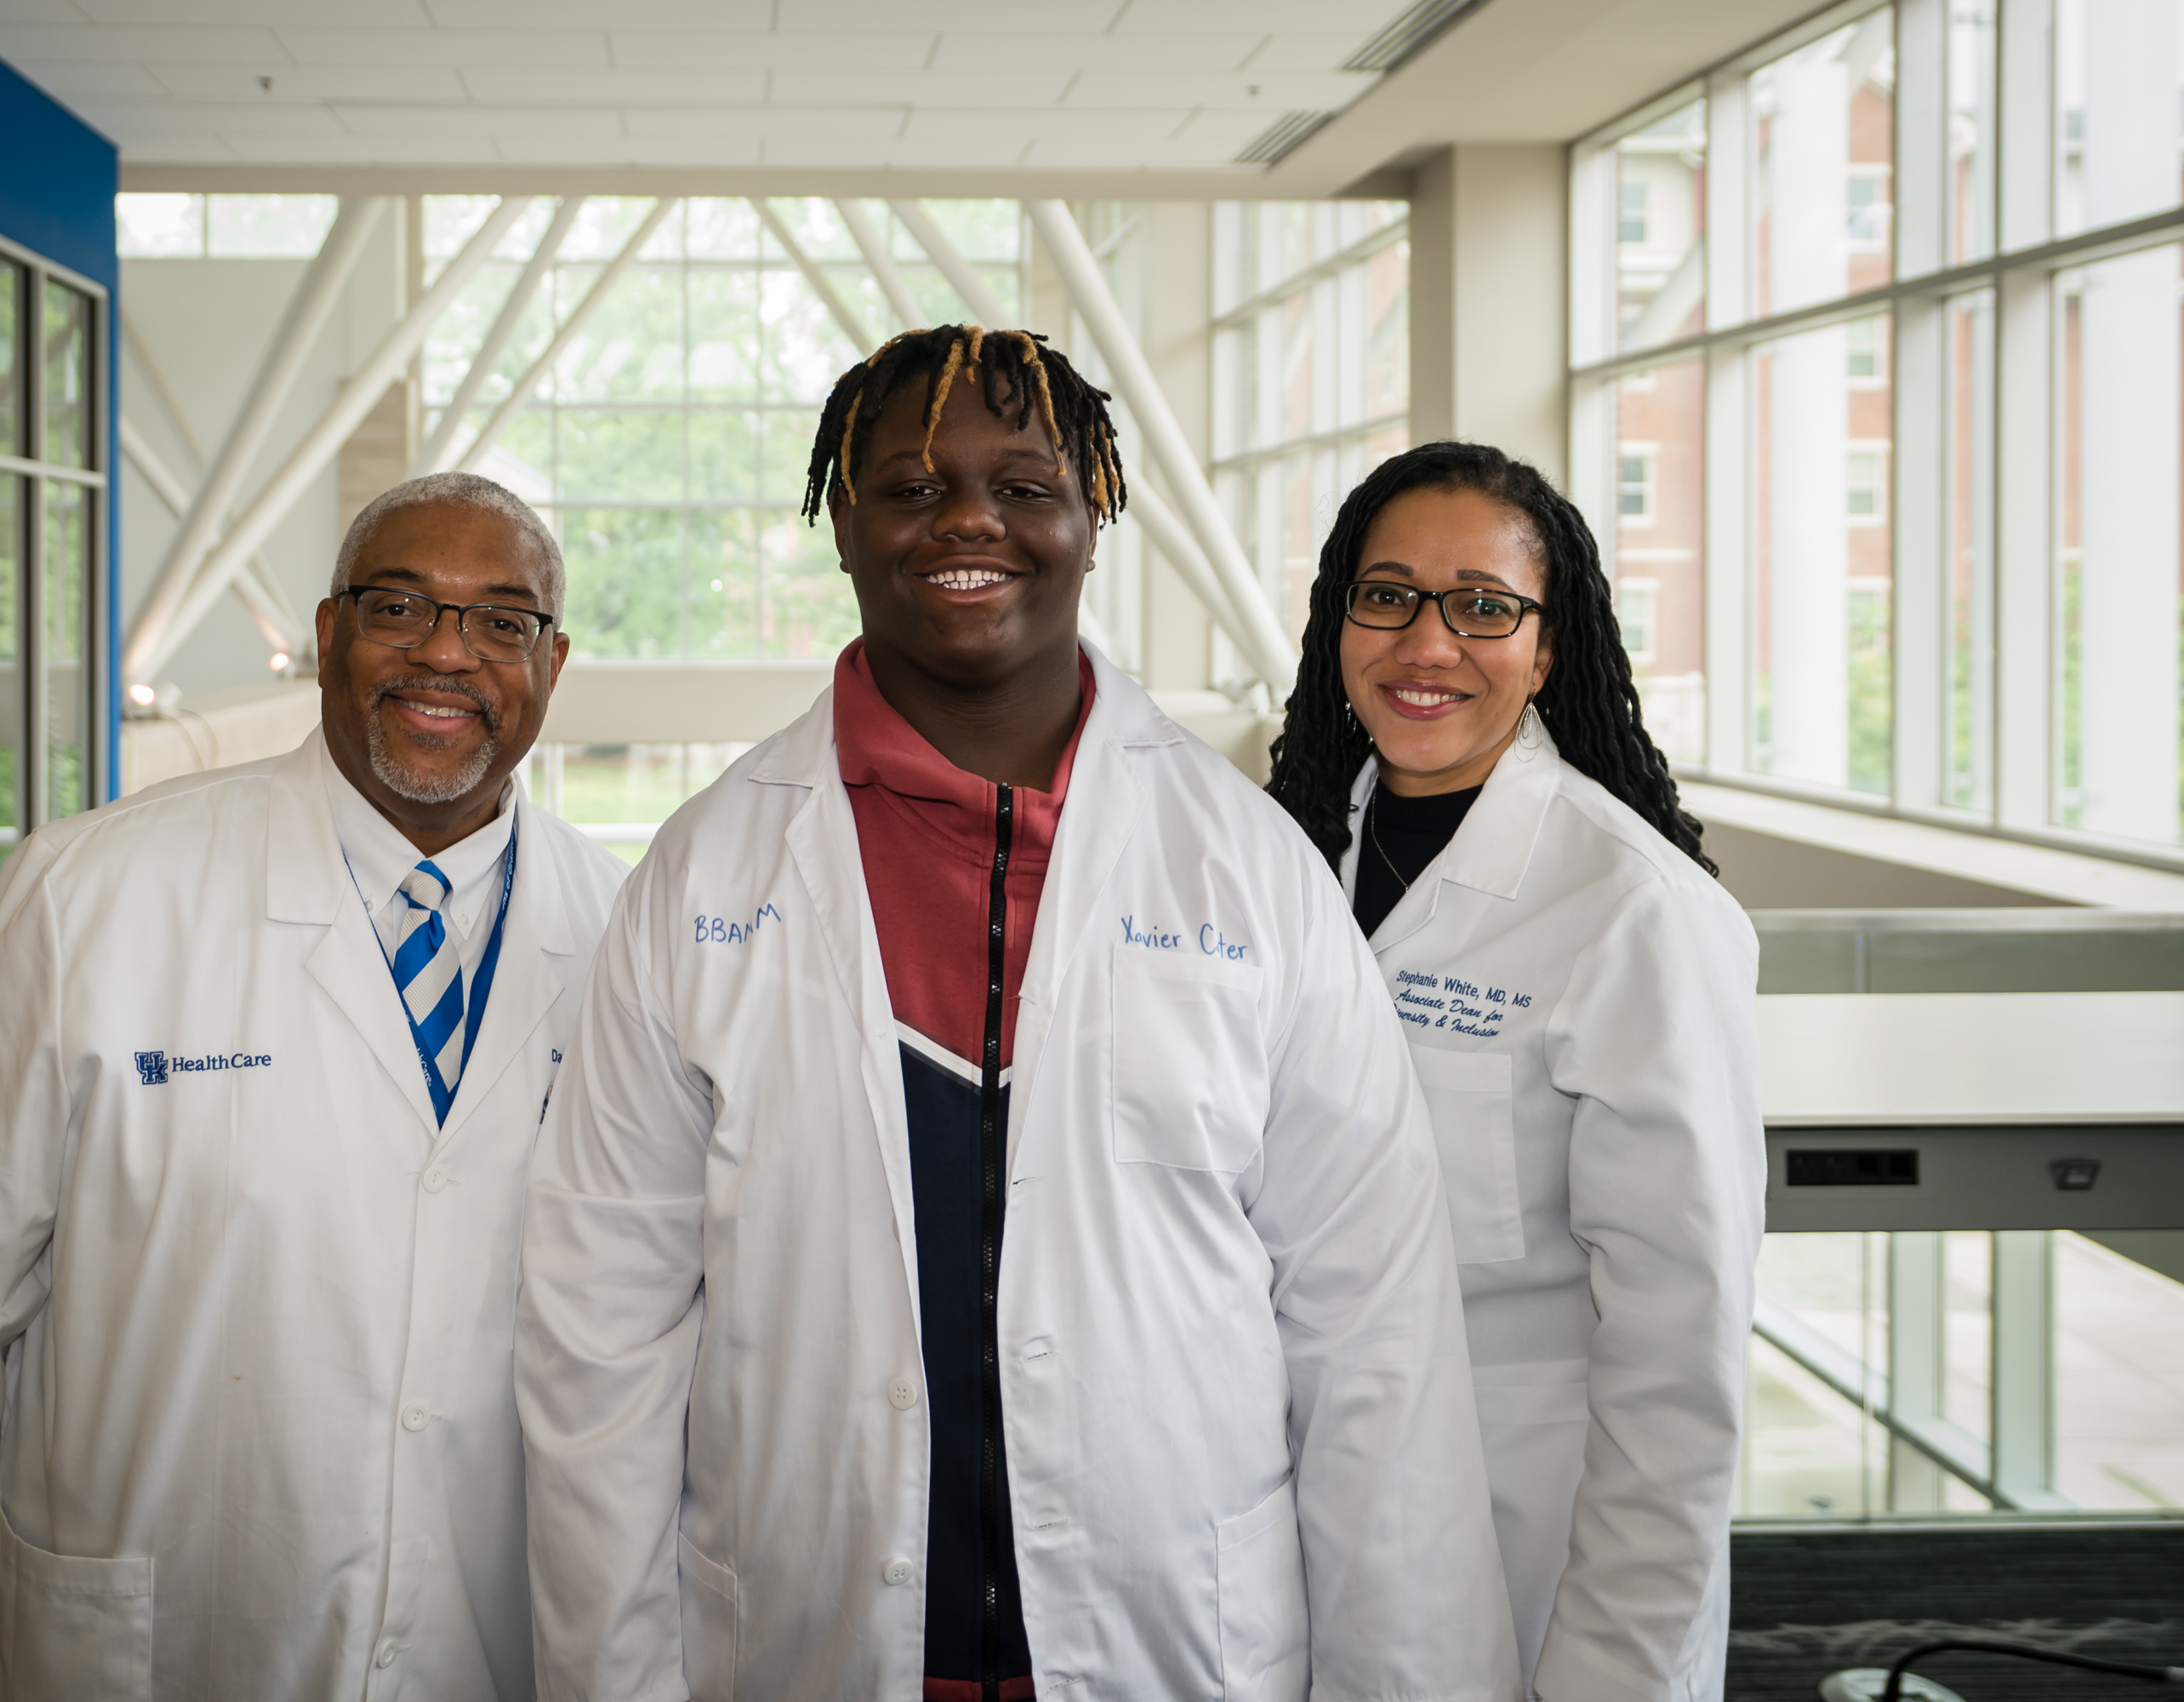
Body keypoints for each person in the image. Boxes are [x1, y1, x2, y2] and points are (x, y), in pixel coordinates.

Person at [516, 328, 1520, 1702]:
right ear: (844, 523)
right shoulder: (704, 874)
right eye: (913, 487)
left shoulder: (1251, 870)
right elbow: (602, 1339)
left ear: (1093, 514)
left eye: (1026, 484)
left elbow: (1374, 1344)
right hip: (808, 1634)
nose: (971, 520)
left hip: (1174, 1641)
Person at [0, 473, 625, 1701]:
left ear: (552, 660)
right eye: (400, 608)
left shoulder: (627, 935)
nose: (447, 653)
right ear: (328, 635)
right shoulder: (91, 891)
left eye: (501, 620)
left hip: (493, 1634)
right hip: (161, 1626)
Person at [1265, 442, 1765, 1702]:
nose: (1427, 644)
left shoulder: (1633, 912)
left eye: (1484, 607)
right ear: (1339, 626)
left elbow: (1678, 1368)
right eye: (1387, 597)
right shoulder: (1283, 864)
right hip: (1299, 1511)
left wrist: (1616, 1673)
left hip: (1529, 1540)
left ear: (1548, 649)